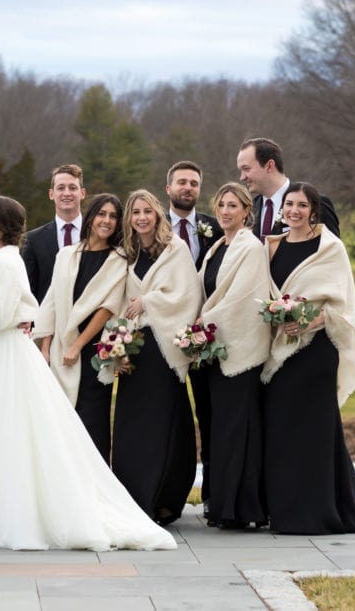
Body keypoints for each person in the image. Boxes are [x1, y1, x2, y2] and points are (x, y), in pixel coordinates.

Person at [0, 195, 176, 551]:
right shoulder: (0, 259)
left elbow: (0, 317)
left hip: (4, 350)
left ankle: (22, 514)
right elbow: (35, 306)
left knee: (13, 428)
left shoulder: (6, 263)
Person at [261, 182, 355, 535]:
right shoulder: (270, 246)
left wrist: (310, 320)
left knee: (316, 432)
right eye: (289, 204)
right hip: (280, 354)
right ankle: (286, 511)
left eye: (302, 206)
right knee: (282, 431)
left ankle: (321, 514)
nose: (294, 211)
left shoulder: (329, 248)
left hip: (317, 353)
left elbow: (342, 304)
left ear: (313, 210)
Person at [112, 190, 200, 525]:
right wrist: (116, 344)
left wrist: (149, 301)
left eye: (147, 211)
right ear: (129, 218)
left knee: (165, 421)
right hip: (135, 348)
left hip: (164, 348)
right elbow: (118, 299)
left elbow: (186, 295)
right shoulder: (126, 253)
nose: (142, 218)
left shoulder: (175, 249)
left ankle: (165, 497)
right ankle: (134, 498)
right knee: (133, 425)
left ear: (158, 214)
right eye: (136, 212)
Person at [196, 183, 269, 530]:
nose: (225, 211)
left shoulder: (250, 248)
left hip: (240, 351)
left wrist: (198, 326)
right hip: (213, 351)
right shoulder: (216, 249)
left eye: (233, 205)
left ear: (246, 211)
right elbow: (204, 293)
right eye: (221, 205)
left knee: (239, 429)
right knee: (221, 430)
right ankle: (223, 506)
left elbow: (242, 301)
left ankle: (245, 509)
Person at [34, 193, 125, 462]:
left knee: (92, 424)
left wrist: (78, 345)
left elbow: (107, 307)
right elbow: (50, 302)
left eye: (113, 216)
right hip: (60, 351)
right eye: (102, 214)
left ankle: (96, 491)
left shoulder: (118, 259)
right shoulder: (66, 255)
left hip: (94, 352)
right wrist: (46, 349)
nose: (106, 221)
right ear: (91, 216)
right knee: (60, 423)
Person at [165, 160, 219, 521]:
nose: (188, 188)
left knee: (211, 415)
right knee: (168, 416)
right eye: (182, 182)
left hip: (207, 339)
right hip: (164, 338)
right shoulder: (149, 225)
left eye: (194, 183)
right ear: (168, 188)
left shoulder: (216, 228)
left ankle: (214, 493)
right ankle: (167, 493)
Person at [236, 137, 339, 239]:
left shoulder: (315, 202)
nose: (242, 177)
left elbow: (333, 252)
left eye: (246, 169)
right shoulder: (249, 211)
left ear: (269, 166)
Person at [22, 164, 87, 303]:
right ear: (51, 194)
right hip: (47, 320)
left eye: (73, 188)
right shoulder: (33, 239)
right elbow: (29, 288)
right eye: (61, 188)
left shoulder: (95, 234)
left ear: (83, 193)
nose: (67, 193)